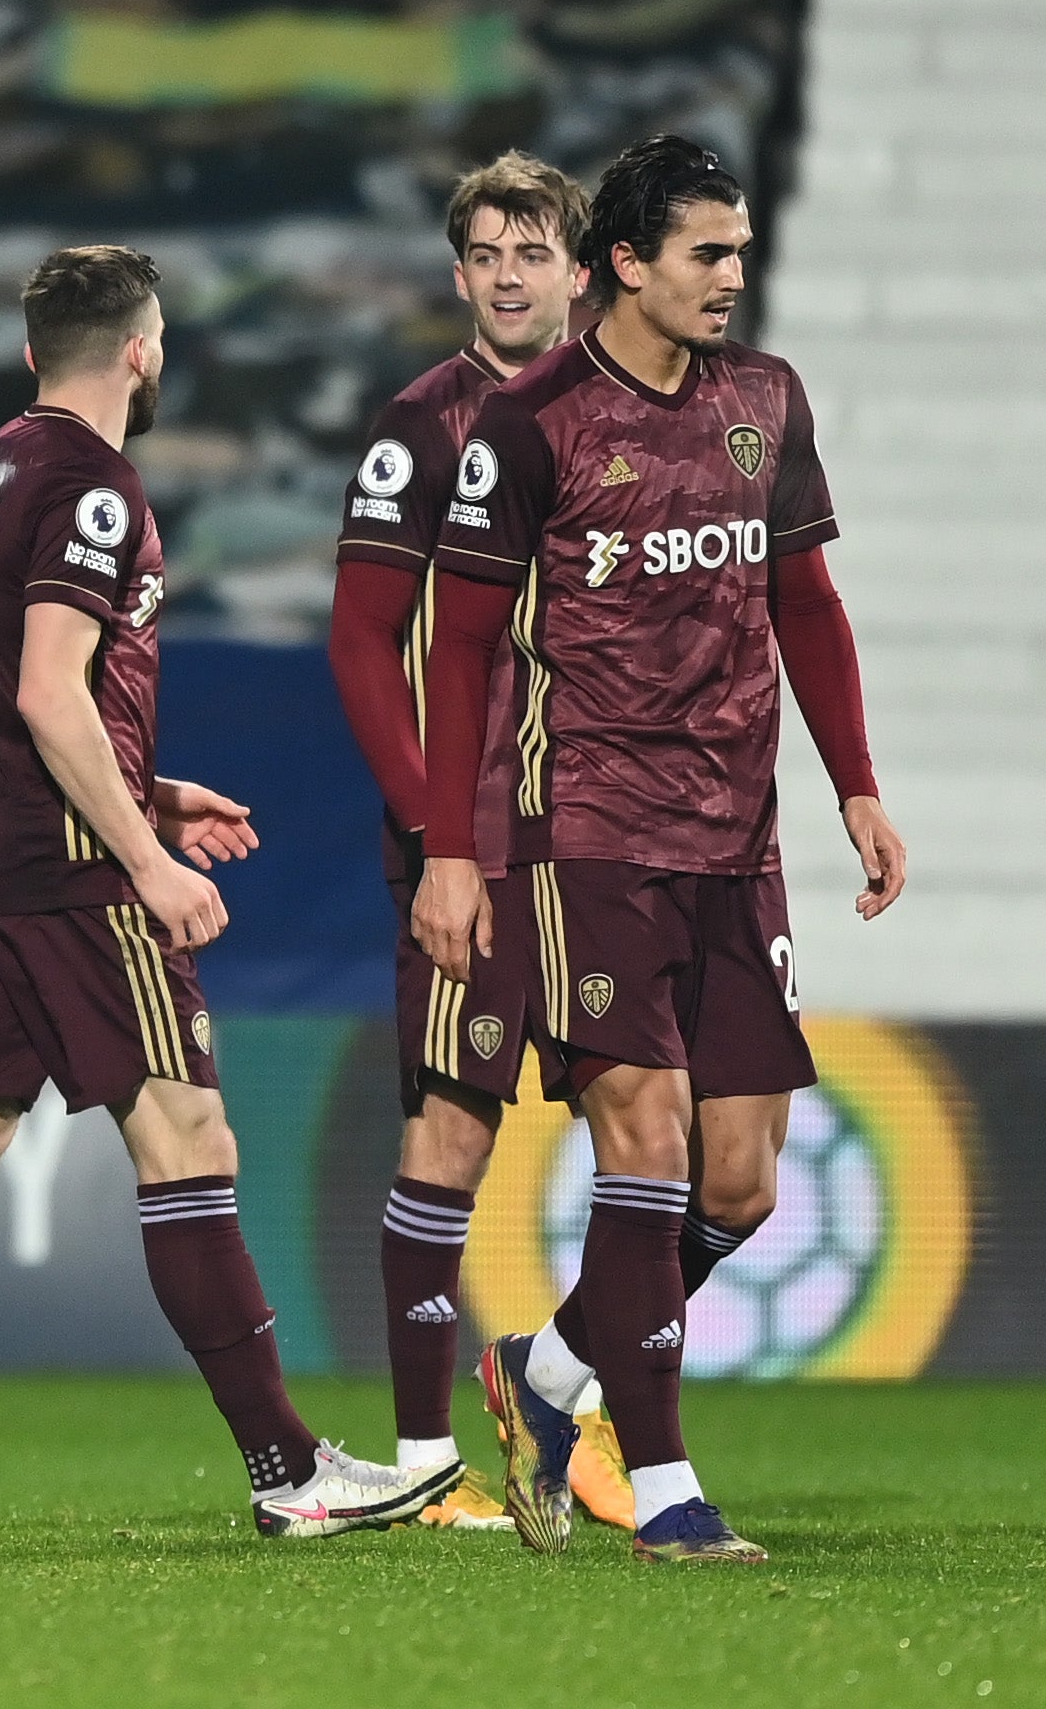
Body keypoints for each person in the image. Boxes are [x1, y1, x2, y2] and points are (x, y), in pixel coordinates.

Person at [0, 244, 448, 1541]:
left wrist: (153, 786)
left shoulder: (4, 460)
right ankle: (290, 1473)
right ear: (139, 349)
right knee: (189, 1142)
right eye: (163, 334)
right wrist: (148, 858)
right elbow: (49, 689)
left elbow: (26, 688)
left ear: (30, 353)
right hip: (73, 880)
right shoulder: (95, 487)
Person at [413, 135, 908, 1563]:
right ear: (625, 263)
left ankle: (551, 1373)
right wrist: (454, 847)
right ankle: (669, 1485)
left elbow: (804, 599)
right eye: (708, 252)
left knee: (741, 1180)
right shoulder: (534, 423)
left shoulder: (764, 399)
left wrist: (854, 786)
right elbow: (454, 646)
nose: (732, 277)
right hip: (585, 828)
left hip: (734, 834)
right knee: (642, 1133)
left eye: (740, 252)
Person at [326, 153, 634, 1534]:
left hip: (617, 840)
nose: (511, 274)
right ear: (459, 276)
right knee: (448, 1132)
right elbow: (358, 642)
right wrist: (432, 825)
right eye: (487, 253)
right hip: (476, 843)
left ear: (584, 267)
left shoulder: (641, 418)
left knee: (653, 1133)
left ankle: (567, 1400)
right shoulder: (419, 429)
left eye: (535, 250)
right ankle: (415, 1458)